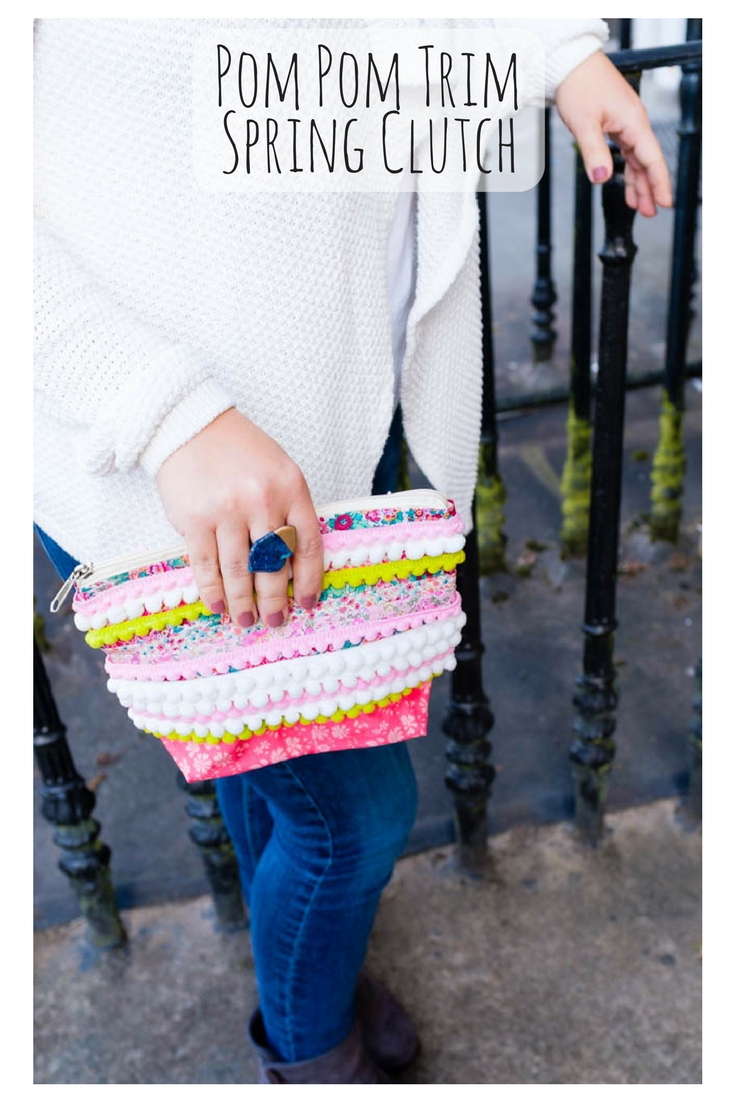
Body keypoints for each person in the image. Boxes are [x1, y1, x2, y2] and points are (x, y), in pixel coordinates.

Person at [34, 18, 672, 1084]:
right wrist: (165, 411)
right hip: (171, 459)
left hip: (357, 402)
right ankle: (312, 1053)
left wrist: (557, 51)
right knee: (354, 824)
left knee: (274, 771)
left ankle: (304, 975)